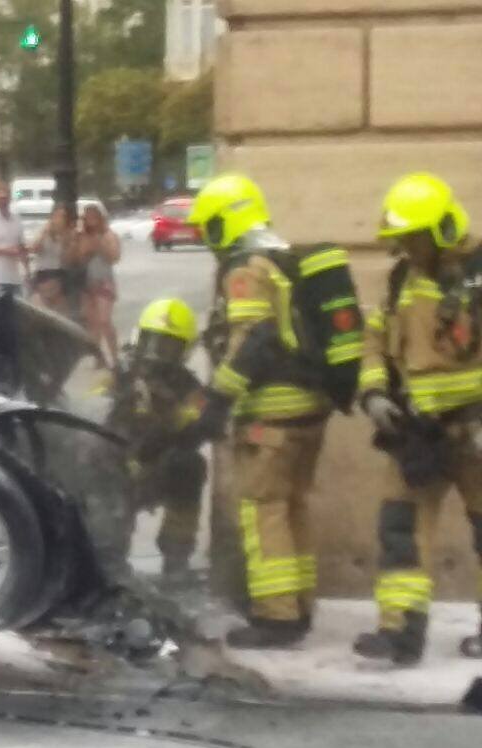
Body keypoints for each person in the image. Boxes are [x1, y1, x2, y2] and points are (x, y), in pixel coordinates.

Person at [184, 173, 331, 650]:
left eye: (208, 227)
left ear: (227, 221)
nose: (207, 239)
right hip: (308, 406)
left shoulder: (246, 268)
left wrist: (217, 400)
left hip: (272, 410)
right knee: (293, 507)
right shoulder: (282, 256)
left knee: (262, 509)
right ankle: (300, 604)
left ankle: (276, 616)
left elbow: (252, 340)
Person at [354, 173, 482, 665]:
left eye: (416, 236)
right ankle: (400, 633)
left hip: (474, 429)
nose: (408, 246)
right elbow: (374, 342)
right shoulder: (399, 280)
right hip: (419, 432)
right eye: (403, 238)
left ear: (442, 229)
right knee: (400, 527)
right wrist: (373, 393)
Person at [107, 298, 207, 581]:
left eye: (168, 346)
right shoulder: (118, 374)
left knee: (190, 465)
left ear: (185, 350)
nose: (156, 353)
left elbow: (197, 425)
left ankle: (176, 559)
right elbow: (90, 412)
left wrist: (174, 417)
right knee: (103, 471)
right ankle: (110, 558)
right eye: (151, 341)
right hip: (116, 466)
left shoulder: (188, 387)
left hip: (156, 467)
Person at [73, 204, 122, 368]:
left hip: (104, 282)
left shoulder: (108, 234)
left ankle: (115, 357)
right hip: (87, 283)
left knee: (104, 321)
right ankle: (98, 358)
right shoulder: (81, 236)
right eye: (87, 218)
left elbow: (115, 256)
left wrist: (100, 244)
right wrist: (86, 248)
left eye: (94, 217)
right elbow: (77, 258)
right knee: (93, 324)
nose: (90, 221)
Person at [29, 207, 74, 321]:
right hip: (43, 273)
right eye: (58, 216)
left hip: (58, 273)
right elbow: (34, 248)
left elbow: (67, 259)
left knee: (61, 314)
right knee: (39, 312)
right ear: (52, 218)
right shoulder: (44, 233)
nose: (60, 219)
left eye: (63, 217)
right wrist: (45, 231)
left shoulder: (65, 236)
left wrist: (66, 242)